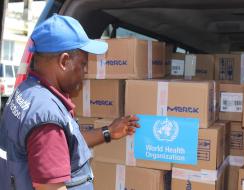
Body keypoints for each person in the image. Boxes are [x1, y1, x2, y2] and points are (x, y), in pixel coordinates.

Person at [0, 14, 140, 190]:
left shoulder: (27, 93)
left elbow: (62, 144)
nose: (85, 72)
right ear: (64, 61)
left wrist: (108, 131)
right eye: (82, 64)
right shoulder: (46, 118)